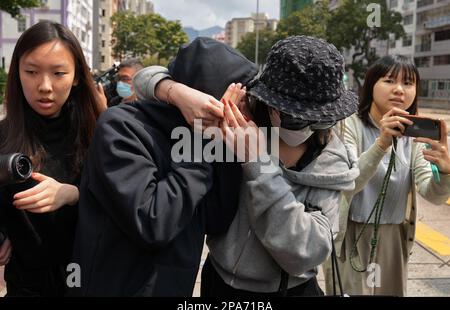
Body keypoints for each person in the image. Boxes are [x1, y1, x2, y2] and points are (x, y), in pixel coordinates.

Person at [138, 36, 360, 296]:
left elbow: (304, 253)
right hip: (219, 281)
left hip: (288, 290)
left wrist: (258, 164)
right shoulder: (241, 115)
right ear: (271, 103)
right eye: (297, 119)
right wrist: (178, 94)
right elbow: (143, 79)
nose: (310, 129)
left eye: (322, 120)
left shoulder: (331, 161)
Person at [69, 38, 258, 297]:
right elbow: (153, 222)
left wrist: (231, 152)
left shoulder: (205, 139)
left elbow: (217, 219)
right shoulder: (121, 127)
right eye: (238, 104)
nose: (243, 115)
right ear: (206, 102)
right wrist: (200, 142)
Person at [324, 55, 450, 296]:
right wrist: (381, 144)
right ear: (371, 85)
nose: (400, 90)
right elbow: (347, 182)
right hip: (351, 233)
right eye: (390, 80)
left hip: (393, 237)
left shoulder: (415, 135)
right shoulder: (348, 125)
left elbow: (431, 194)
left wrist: (445, 172)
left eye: (409, 83)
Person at [0, 20, 103, 296]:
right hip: (26, 286)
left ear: (77, 76)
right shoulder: (3, 136)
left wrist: (74, 194)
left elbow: (127, 207)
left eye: (58, 73)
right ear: (17, 72)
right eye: (31, 72)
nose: (44, 86)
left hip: (88, 280)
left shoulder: (101, 134)